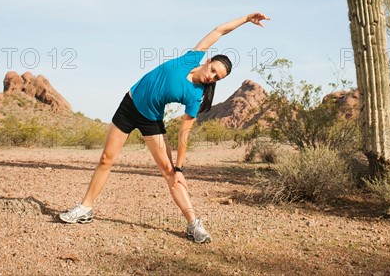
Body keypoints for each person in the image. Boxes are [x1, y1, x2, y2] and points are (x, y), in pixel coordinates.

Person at [58, 12, 270, 243]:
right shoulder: (191, 58)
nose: (211, 77)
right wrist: (247, 19)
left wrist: (179, 166)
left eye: (217, 78)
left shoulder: (195, 95)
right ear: (207, 61)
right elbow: (219, 30)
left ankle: (193, 224)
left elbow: (184, 132)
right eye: (213, 70)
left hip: (151, 121)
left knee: (170, 173)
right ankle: (85, 209)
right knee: (106, 159)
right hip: (128, 106)